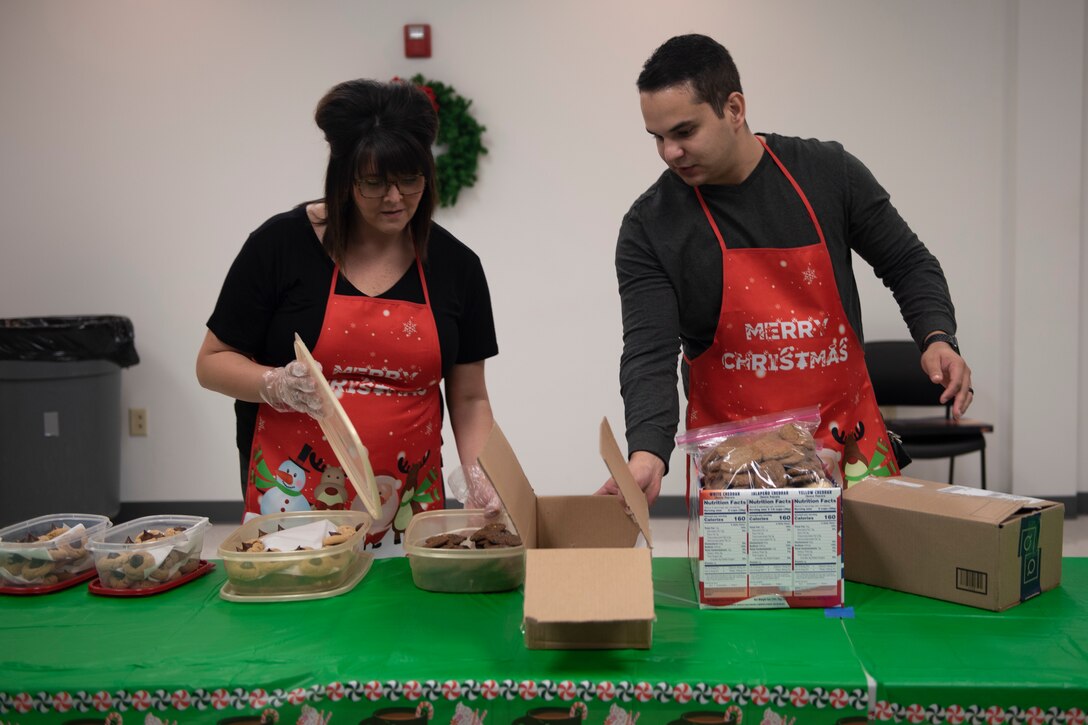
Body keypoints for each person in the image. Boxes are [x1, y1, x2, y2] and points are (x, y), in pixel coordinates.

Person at [601, 34, 973, 505]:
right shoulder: (650, 226)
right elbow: (648, 351)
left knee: (866, 578)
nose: (669, 152)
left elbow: (908, 262)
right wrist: (648, 452)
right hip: (738, 467)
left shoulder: (828, 174)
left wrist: (937, 336)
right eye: (657, 137)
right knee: (756, 580)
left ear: (733, 109)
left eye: (684, 131)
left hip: (850, 445)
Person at [196, 79, 499, 553]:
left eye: (411, 179)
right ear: (342, 177)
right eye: (374, 182)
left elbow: (470, 399)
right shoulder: (280, 246)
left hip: (407, 505)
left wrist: (483, 475)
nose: (395, 198)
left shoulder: (457, 266)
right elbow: (212, 361)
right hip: (293, 502)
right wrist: (274, 384)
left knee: (401, 620)